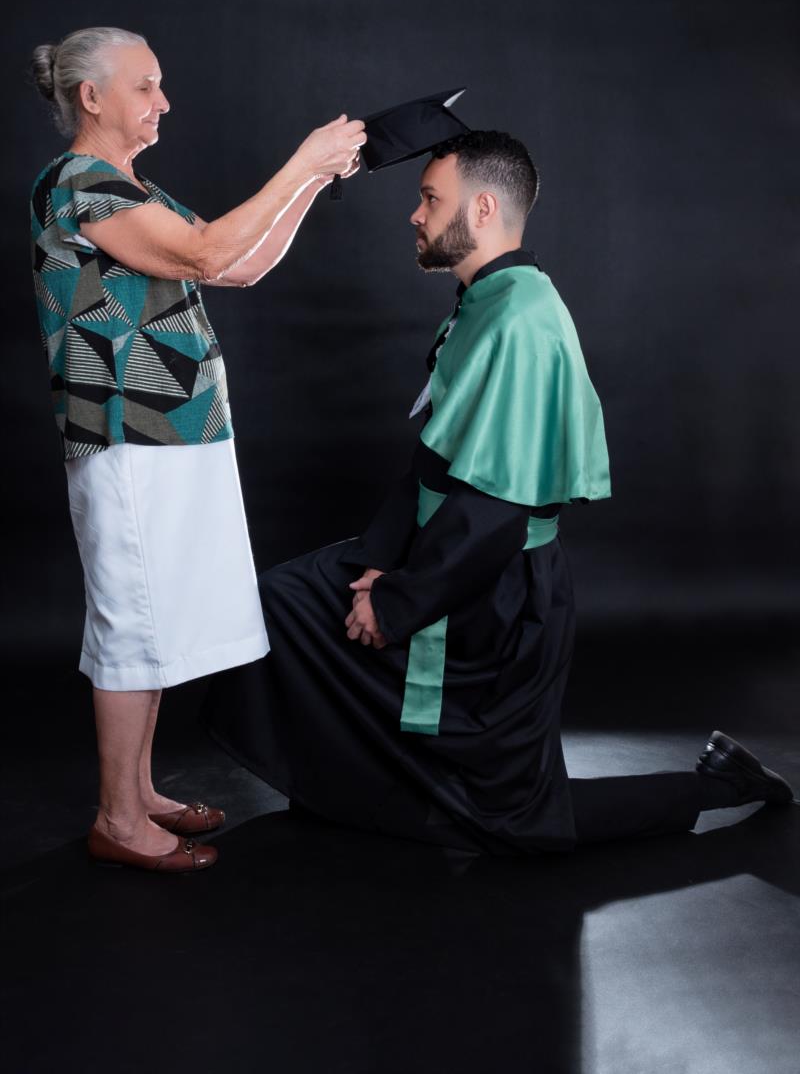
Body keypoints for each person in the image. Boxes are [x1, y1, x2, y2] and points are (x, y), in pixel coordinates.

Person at [207, 129, 794, 856]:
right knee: (284, 604)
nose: (415, 216)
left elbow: (497, 512)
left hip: (500, 597)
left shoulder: (521, 317)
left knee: (514, 822)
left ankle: (727, 784)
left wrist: (394, 601)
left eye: (430, 199)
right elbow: (432, 458)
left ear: (482, 209)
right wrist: (376, 560)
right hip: (441, 554)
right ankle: (374, 792)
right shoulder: (485, 298)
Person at [29, 25, 366, 872]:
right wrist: (302, 160)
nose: (163, 102)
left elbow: (237, 265)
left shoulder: (131, 188)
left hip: (176, 433)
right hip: (128, 433)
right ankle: (118, 819)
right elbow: (209, 250)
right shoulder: (78, 186)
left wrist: (313, 181)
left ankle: (137, 793)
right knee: (130, 619)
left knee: (154, 616)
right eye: (145, 86)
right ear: (91, 97)